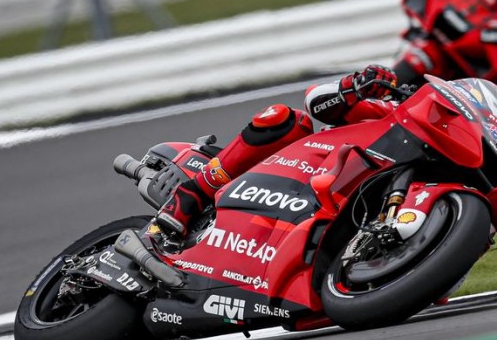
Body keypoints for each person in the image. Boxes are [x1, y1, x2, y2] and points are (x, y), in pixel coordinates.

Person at [156, 64, 400, 239]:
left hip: (342, 207)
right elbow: (315, 101)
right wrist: (355, 86)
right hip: (307, 172)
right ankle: (188, 197)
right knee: (288, 119)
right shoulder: (397, 108)